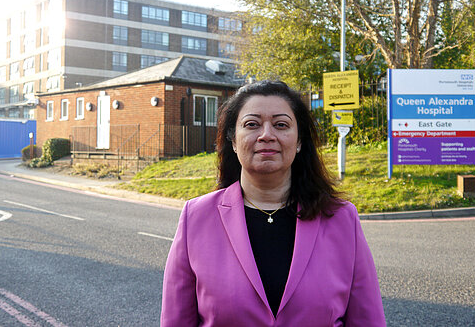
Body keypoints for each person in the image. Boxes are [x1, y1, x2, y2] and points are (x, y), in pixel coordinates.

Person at [161, 80, 386, 326]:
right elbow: (176, 320)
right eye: (252, 124)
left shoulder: (342, 218)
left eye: (281, 125)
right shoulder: (196, 217)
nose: (267, 135)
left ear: (299, 141)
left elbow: (368, 320)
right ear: (233, 141)